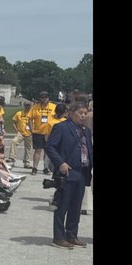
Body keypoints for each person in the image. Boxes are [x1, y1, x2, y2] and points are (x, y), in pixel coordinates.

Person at [44, 101, 93, 249]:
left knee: (76, 207)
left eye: (85, 113)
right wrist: (61, 163)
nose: (83, 116)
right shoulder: (61, 127)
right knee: (62, 205)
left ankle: (71, 235)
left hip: (82, 172)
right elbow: (50, 147)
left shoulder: (86, 130)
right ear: (71, 113)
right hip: (67, 172)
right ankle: (58, 237)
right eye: (80, 113)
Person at [27, 91, 58, 174]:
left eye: (45, 97)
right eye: (42, 97)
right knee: (38, 151)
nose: (44, 99)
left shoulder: (53, 107)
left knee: (47, 151)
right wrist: (31, 129)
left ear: (48, 98)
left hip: (50, 132)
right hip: (38, 132)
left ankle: (46, 168)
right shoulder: (35, 107)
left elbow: (58, 117)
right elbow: (29, 118)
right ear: (39, 99)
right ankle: (35, 168)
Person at [7, 101, 33, 167]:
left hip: (29, 133)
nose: (27, 107)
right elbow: (13, 122)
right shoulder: (19, 113)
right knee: (14, 142)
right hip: (20, 133)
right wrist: (17, 130)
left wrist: (33, 131)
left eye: (29, 105)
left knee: (28, 148)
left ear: (31, 106)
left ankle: (26, 162)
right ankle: (12, 157)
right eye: (26, 105)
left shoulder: (33, 114)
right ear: (24, 106)